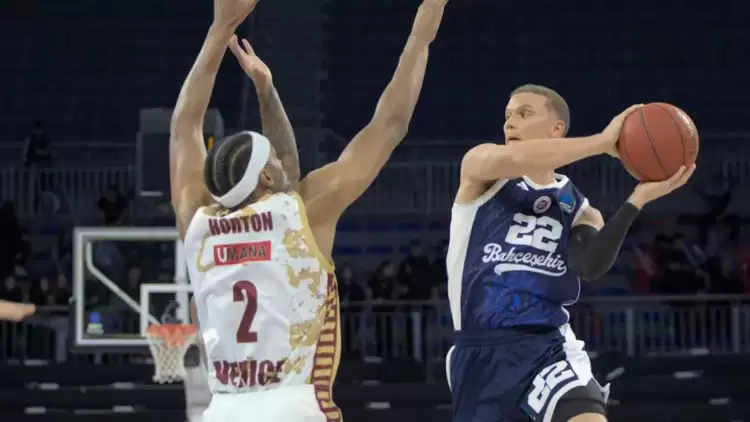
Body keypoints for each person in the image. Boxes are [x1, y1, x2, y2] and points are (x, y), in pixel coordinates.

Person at [170, 0, 448, 420]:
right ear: (266, 177)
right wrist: (421, 33)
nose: (283, 162)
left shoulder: (197, 219)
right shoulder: (304, 212)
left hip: (223, 407)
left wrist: (218, 31)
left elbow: (184, 127)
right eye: (273, 161)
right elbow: (390, 124)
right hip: (291, 404)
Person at [445, 84, 695, 422]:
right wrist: (603, 142)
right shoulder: (481, 168)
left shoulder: (578, 207)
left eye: (524, 113)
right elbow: (515, 159)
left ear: (557, 128)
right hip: (480, 353)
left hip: (548, 348)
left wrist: (636, 200)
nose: (510, 123)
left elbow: (589, 266)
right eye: (508, 115)